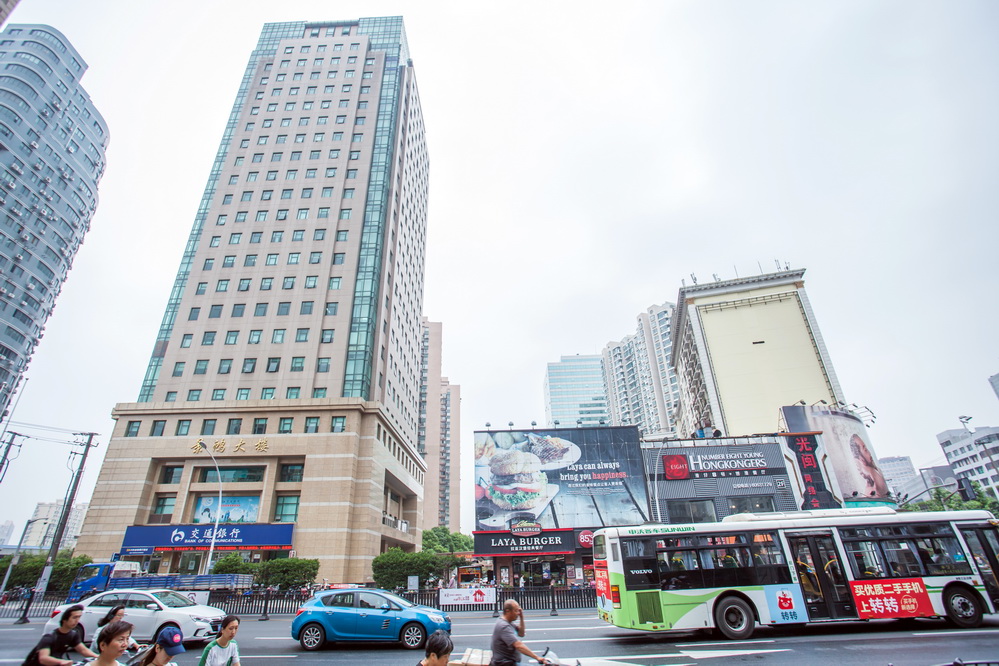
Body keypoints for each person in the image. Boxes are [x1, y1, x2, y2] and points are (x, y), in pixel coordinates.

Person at [23, 604, 98, 666]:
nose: (77, 620)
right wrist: (61, 662)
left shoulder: (73, 635)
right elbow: (43, 659)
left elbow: (83, 650)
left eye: (79, 617)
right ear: (64, 620)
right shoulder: (49, 637)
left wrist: (98, 657)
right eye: (74, 617)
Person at [490, 599, 550, 665]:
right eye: (516, 611)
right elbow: (518, 645)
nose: (518, 613)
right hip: (504, 663)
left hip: (510, 662)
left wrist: (521, 617)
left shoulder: (509, 623)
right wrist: (537, 657)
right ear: (508, 611)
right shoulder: (503, 626)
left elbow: (521, 633)